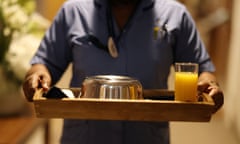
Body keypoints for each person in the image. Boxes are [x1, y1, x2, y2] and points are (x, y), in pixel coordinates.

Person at [22, 0, 224, 143]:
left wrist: (209, 85)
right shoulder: (73, 11)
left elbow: (202, 70)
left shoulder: (176, 15)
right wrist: (37, 76)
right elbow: (43, 64)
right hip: (84, 137)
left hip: (146, 137)